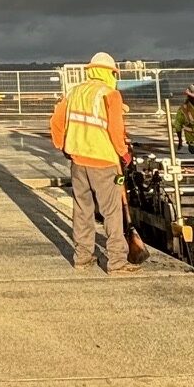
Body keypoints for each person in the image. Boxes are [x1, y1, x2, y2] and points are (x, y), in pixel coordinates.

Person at [49, 54, 148, 271]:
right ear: (109, 73)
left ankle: (83, 258)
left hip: (78, 162)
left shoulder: (74, 92)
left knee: (82, 210)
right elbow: (115, 130)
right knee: (112, 212)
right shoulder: (110, 94)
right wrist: (124, 154)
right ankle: (117, 262)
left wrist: (64, 147)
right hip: (104, 162)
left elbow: (56, 122)